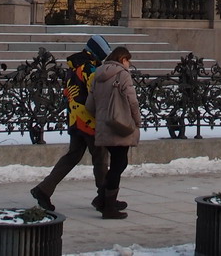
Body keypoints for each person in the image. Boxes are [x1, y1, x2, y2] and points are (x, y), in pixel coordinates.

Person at [29, 35, 112, 213]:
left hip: (75, 118)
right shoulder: (89, 68)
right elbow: (95, 92)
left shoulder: (74, 65)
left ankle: (44, 189)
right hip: (89, 120)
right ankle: (105, 199)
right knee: (100, 157)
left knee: (73, 155)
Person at [86, 45, 141, 220]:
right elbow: (132, 101)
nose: (129, 64)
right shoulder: (122, 74)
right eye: (128, 60)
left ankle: (104, 199)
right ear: (122, 59)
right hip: (120, 125)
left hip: (104, 126)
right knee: (119, 164)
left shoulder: (97, 74)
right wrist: (137, 121)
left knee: (117, 163)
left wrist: (102, 116)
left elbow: (89, 105)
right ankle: (107, 204)